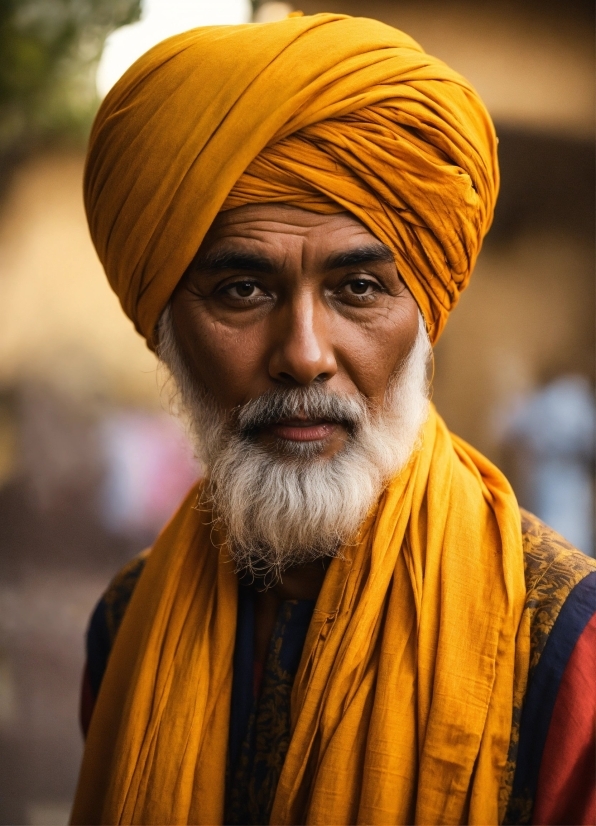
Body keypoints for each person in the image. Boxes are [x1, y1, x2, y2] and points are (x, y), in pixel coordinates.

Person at [71, 13, 595, 826]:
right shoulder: (126, 622)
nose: (305, 354)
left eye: (359, 289)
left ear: (425, 319)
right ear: (165, 328)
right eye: (243, 290)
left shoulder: (565, 644)